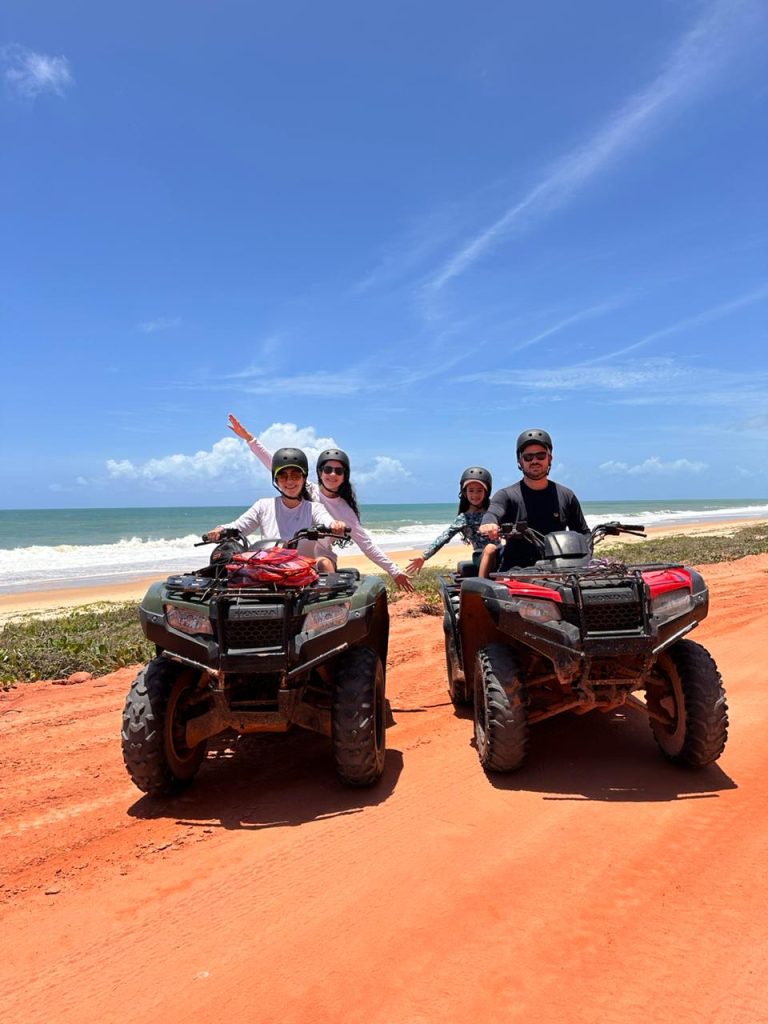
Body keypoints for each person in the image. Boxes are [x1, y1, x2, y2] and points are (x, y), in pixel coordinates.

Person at [228, 414, 414, 592]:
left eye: (339, 471)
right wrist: (250, 439)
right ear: (319, 472)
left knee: (323, 562)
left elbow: (367, 546)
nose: (332, 474)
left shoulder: (344, 510)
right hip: (284, 556)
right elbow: (276, 465)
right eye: (327, 469)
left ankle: (332, 608)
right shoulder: (307, 488)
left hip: (318, 558)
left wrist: (394, 571)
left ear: (345, 476)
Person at [206, 446, 346, 571]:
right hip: (269, 570)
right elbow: (239, 527)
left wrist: (335, 525)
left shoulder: (314, 508)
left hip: (305, 573)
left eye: (295, 475)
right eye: (283, 476)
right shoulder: (263, 505)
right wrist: (220, 530)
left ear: (303, 478)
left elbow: (326, 520)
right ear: (276, 480)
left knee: (325, 565)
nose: (289, 481)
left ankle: (331, 595)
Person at [478, 428, 589, 573]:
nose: (535, 461)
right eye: (528, 457)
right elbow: (493, 512)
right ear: (520, 461)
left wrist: (585, 556)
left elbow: (584, 533)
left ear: (549, 458)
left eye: (540, 455)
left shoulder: (566, 495)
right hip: (517, 571)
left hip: (559, 570)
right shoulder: (506, 495)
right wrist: (489, 523)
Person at [406, 467, 500, 576]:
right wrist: (423, 557)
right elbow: (444, 537)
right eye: (471, 490)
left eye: (479, 490)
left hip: (500, 552)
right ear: (464, 492)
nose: (475, 495)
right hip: (481, 555)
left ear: (486, 492)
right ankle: (481, 582)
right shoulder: (463, 518)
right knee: (490, 548)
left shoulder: (494, 512)